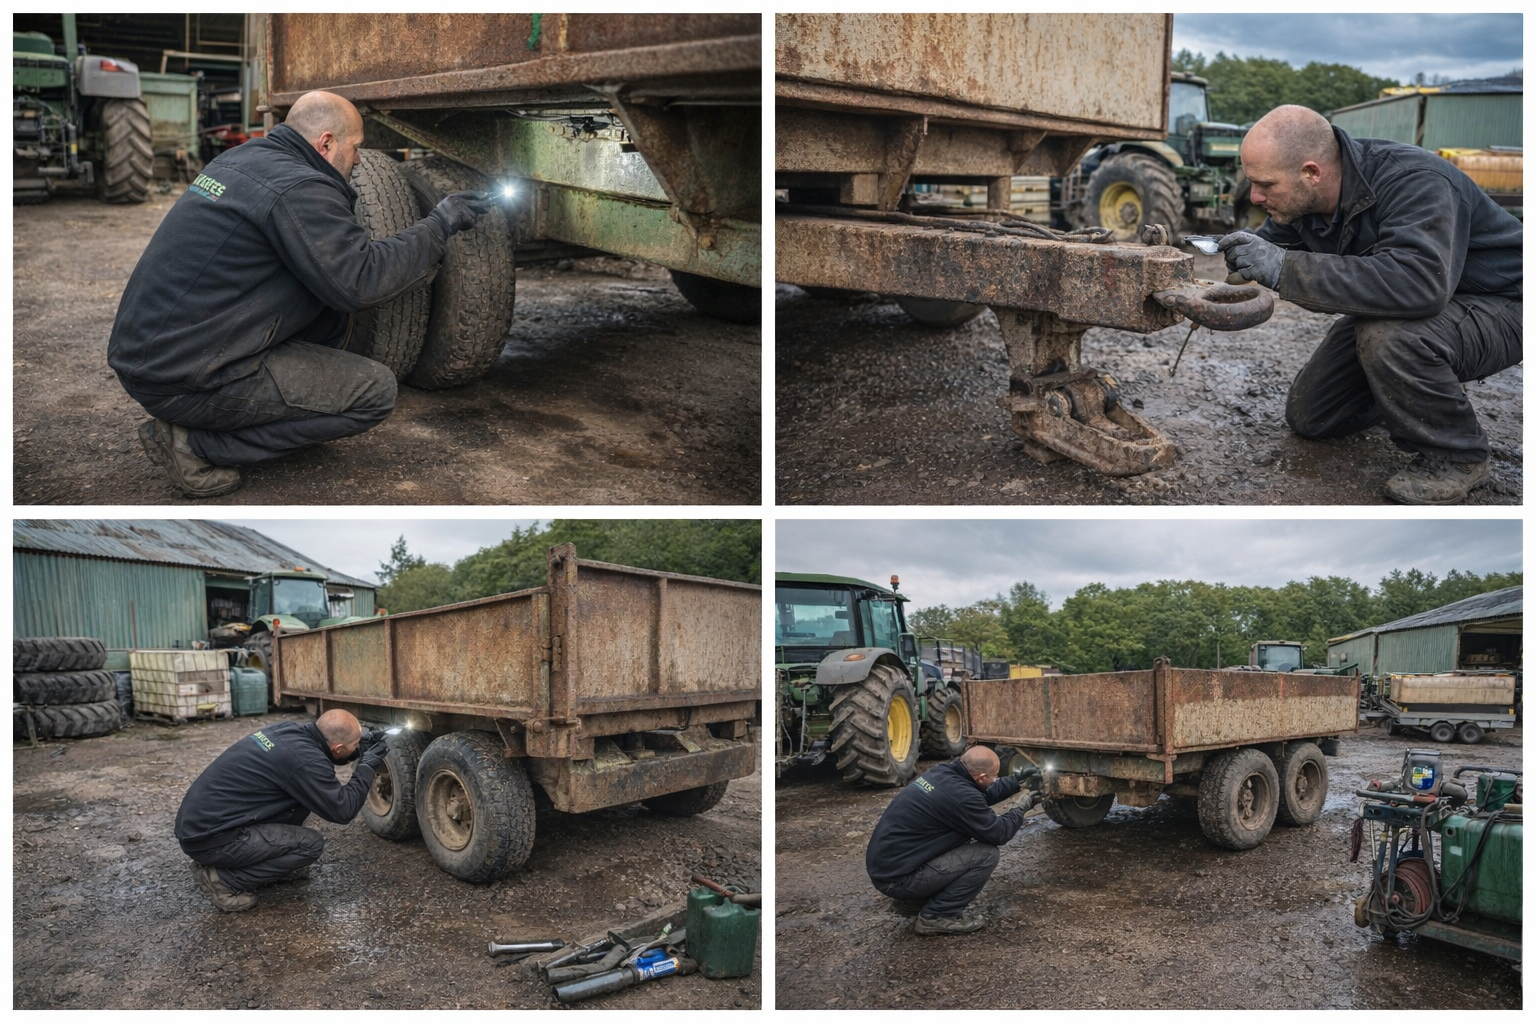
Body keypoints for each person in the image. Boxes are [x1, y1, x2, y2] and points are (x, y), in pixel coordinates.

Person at [107, 90, 494, 498]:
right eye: (356, 147)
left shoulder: (242, 158)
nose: (359, 160)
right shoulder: (300, 188)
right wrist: (438, 225)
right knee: (373, 392)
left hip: (150, 354)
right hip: (185, 377)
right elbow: (361, 280)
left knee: (328, 318)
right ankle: (197, 445)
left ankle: (204, 420)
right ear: (326, 143)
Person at [1217, 104, 1521, 505]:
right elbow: (1275, 244)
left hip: (1502, 302)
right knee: (1313, 416)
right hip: (1427, 304)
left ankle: (1458, 455)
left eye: (1266, 185)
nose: (1256, 197)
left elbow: (1419, 284)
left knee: (1388, 337)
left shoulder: (1415, 181)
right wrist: (1245, 256)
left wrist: (1283, 269)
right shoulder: (1302, 199)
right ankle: (1409, 394)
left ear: (1311, 173)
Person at [174, 709, 389, 912]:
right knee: (309, 846)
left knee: (298, 804)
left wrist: (363, 740)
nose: (357, 748)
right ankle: (223, 880)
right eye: (355, 745)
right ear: (338, 748)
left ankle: (261, 864)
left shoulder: (289, 731)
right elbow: (343, 810)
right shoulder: (306, 762)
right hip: (213, 837)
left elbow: (327, 757)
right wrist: (367, 765)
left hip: (200, 825)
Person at [864, 746, 1042, 935]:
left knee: (962, 843)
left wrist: (1017, 782)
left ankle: (913, 902)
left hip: (888, 869)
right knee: (986, 855)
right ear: (981, 777)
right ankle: (937, 915)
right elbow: (998, 833)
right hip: (899, 880)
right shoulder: (962, 798)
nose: (995, 780)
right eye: (994, 777)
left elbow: (982, 794)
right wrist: (1019, 809)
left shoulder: (943, 773)